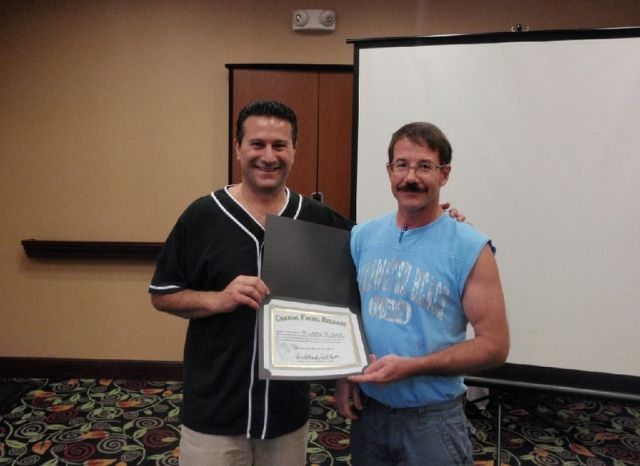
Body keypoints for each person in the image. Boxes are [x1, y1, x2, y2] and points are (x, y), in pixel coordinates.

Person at [335, 122, 509, 466]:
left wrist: (413, 367)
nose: (410, 177)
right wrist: (344, 376)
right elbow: (347, 315)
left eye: (424, 166)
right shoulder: (362, 237)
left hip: (432, 422)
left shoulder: (470, 248)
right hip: (369, 416)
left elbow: (495, 346)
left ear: (444, 174)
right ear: (389, 170)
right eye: (402, 164)